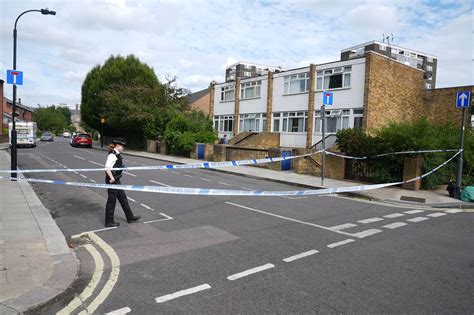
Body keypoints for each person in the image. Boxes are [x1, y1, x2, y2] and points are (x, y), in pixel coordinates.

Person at [104, 138, 140, 227]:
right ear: (117, 145)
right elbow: (107, 168)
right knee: (111, 201)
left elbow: (116, 166)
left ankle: (130, 217)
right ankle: (109, 222)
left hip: (116, 180)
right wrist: (112, 178)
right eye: (122, 146)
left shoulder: (116, 154)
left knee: (123, 199)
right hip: (112, 181)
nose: (123, 147)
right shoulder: (112, 155)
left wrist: (122, 168)